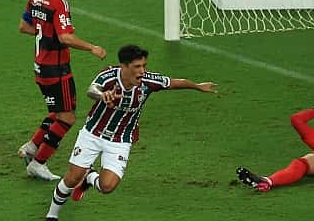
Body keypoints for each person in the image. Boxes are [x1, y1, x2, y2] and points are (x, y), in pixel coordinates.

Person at [44, 44, 217, 221]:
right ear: (124, 66)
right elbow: (92, 89)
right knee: (72, 179)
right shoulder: (109, 75)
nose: (142, 71)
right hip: (93, 134)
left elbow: (175, 82)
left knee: (107, 187)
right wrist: (102, 95)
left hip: (120, 140)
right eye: (137, 67)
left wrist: (197, 86)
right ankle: (52, 215)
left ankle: (90, 177)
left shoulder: (149, 81)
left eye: (144, 66)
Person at [17, 0, 107, 181]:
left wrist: (45, 33)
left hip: (40, 66)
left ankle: (31, 146)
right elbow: (65, 36)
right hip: (57, 69)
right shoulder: (59, 3)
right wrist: (92, 48)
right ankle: (38, 163)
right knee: (66, 118)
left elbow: (24, 26)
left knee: (57, 111)